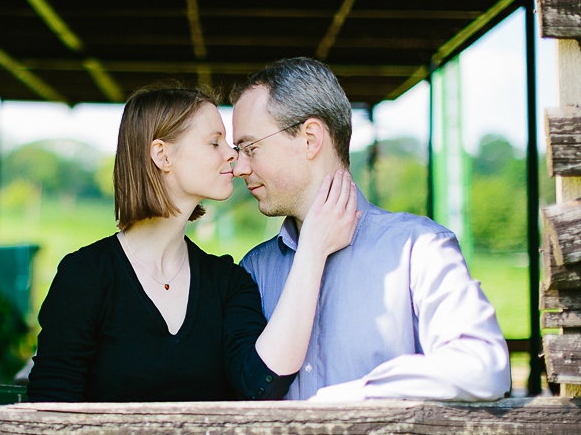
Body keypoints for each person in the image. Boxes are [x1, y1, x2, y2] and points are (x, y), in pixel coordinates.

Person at [27, 84, 358, 402]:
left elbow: (261, 384)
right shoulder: (84, 276)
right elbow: (50, 409)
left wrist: (312, 251)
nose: (234, 156)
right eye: (215, 143)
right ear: (162, 155)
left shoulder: (229, 282)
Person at [231, 57, 511, 401]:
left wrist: (352, 397)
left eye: (250, 148)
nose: (239, 167)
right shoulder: (253, 270)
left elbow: (484, 366)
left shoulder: (418, 249)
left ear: (310, 138)